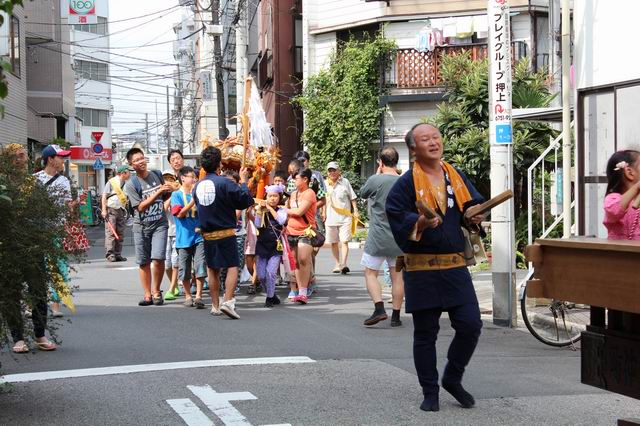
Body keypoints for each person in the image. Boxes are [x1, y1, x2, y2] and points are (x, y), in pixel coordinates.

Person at [385, 123, 485, 412]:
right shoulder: (405, 184)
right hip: (421, 269)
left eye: (436, 137)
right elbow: (396, 216)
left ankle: (453, 377)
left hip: (455, 266)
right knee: (425, 333)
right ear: (413, 148)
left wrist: (475, 215)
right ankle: (430, 391)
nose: (433, 142)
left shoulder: (455, 176)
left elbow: (471, 207)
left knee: (471, 324)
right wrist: (420, 222)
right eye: (425, 139)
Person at [2, 144, 58, 352]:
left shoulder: (33, 184)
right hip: (8, 246)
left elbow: (45, 212)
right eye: (15, 156)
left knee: (38, 291)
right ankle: (18, 338)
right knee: (11, 293)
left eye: (22, 156)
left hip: (33, 245)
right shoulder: (2, 184)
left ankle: (40, 334)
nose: (20, 160)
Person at [194, 147, 254, 319]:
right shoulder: (225, 183)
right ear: (219, 164)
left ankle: (215, 306)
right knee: (232, 266)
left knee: (213, 269)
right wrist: (243, 181)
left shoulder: (197, 186)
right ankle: (227, 301)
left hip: (207, 233)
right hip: (225, 232)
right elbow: (245, 200)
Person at [360, 147, 404, 327]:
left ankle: (379, 308)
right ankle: (396, 316)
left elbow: (363, 193)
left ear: (381, 162)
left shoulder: (375, 179)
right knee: (397, 277)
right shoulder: (404, 181)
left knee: (370, 273)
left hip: (378, 236)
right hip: (399, 237)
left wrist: (377, 174)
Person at [123, 147, 171, 307]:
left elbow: (166, 195)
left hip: (160, 224)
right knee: (143, 262)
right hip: (142, 226)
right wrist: (157, 193)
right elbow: (140, 207)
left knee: (158, 258)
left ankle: (156, 291)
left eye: (142, 158)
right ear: (131, 164)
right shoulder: (131, 184)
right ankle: (147, 294)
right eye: (136, 160)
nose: (141, 162)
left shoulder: (157, 174)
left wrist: (168, 193)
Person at [34, 144, 73, 319]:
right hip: (36, 231)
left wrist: (71, 209)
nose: (63, 160)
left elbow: (67, 206)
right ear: (50, 159)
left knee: (57, 267)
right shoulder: (34, 180)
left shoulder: (64, 181)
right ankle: (32, 304)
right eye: (60, 157)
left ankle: (56, 305)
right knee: (37, 268)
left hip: (57, 230)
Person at [171, 166, 207, 309]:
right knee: (184, 269)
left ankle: (198, 296)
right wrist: (193, 201)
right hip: (183, 238)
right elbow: (179, 214)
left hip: (199, 236)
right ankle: (187, 295)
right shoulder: (176, 195)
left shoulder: (199, 194)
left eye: (195, 177)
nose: (194, 180)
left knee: (200, 265)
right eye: (191, 177)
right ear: (183, 178)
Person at [286, 167, 318, 304]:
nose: (294, 181)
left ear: (305, 179)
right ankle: (300, 291)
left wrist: (284, 210)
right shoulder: (293, 194)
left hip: (306, 231)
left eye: (296, 178)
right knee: (296, 262)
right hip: (291, 231)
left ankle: (304, 291)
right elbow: (290, 211)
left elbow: (299, 212)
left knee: (304, 259)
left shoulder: (309, 193)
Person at [255, 184, 288, 307]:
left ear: (279, 197)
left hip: (275, 246)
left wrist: (269, 208)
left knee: (271, 273)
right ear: (266, 197)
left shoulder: (282, 210)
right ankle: (272, 294)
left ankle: (269, 298)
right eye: (270, 196)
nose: (272, 198)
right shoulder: (261, 210)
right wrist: (260, 210)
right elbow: (257, 224)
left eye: (275, 196)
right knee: (261, 276)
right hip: (262, 245)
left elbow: (281, 221)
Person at [324, 161, 358, 274]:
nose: (332, 173)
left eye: (334, 170)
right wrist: (323, 213)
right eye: (330, 171)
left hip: (345, 217)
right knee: (333, 242)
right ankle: (337, 263)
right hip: (330, 217)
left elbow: (352, 197)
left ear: (339, 171)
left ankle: (343, 264)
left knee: (344, 241)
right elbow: (322, 200)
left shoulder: (345, 182)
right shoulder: (324, 184)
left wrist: (355, 210)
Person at [603, 150, 640, 240]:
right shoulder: (612, 199)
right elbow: (614, 210)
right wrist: (637, 187)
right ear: (629, 172)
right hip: (619, 249)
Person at [164, 149, 185, 301]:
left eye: (178, 158)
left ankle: (172, 287)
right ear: (170, 163)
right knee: (167, 263)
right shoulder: (166, 180)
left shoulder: (189, 176)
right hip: (168, 226)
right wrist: (172, 192)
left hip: (183, 226)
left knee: (176, 260)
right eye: (173, 159)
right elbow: (163, 207)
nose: (176, 161)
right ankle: (175, 284)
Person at [101, 165, 131, 262]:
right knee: (111, 233)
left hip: (121, 210)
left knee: (120, 233)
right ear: (123, 173)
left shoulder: (126, 183)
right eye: (128, 172)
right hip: (111, 209)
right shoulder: (112, 182)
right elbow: (104, 195)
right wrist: (103, 210)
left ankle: (118, 254)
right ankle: (110, 254)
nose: (130, 174)